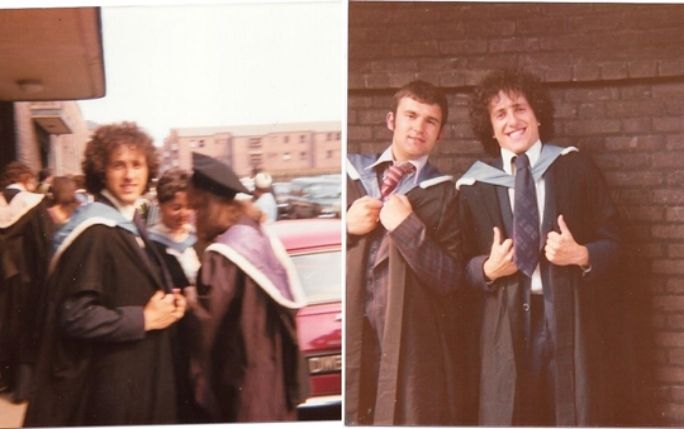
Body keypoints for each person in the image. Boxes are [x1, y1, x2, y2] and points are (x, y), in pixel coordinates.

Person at [457, 68, 622, 426]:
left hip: (568, 315)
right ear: (489, 126)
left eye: (520, 108)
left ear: (537, 115)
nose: (512, 121)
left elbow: (616, 243)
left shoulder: (574, 167)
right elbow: (458, 265)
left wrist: (581, 255)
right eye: (500, 114)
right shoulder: (474, 186)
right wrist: (486, 269)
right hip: (506, 320)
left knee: (572, 413)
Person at [24, 122, 187, 426]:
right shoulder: (95, 232)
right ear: (101, 171)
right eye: (118, 165)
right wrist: (144, 318)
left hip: (136, 376)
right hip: (112, 385)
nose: (129, 175)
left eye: (137, 165)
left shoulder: (131, 222)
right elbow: (74, 315)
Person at [345, 80, 470, 425]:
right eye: (411, 115)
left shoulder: (446, 195)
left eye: (430, 121)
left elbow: (450, 279)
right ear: (391, 121)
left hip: (407, 342)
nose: (419, 127)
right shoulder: (350, 176)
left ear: (440, 134)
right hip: (353, 333)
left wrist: (407, 228)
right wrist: (344, 226)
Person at [187, 152, 309, 422]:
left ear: (209, 205)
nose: (193, 218)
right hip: (273, 376)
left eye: (196, 209)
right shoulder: (255, 233)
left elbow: (205, 322)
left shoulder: (224, 255)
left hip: (244, 381)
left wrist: (187, 300)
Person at [148, 167, 201, 423]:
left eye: (188, 206)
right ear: (160, 206)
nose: (184, 214)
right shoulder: (150, 245)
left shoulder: (198, 238)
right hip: (172, 337)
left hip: (200, 332)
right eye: (175, 207)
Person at [0, 162, 51, 403]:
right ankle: (22, 388)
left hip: (3, 279)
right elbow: (43, 246)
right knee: (26, 327)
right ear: (26, 178)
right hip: (28, 280)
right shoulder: (34, 203)